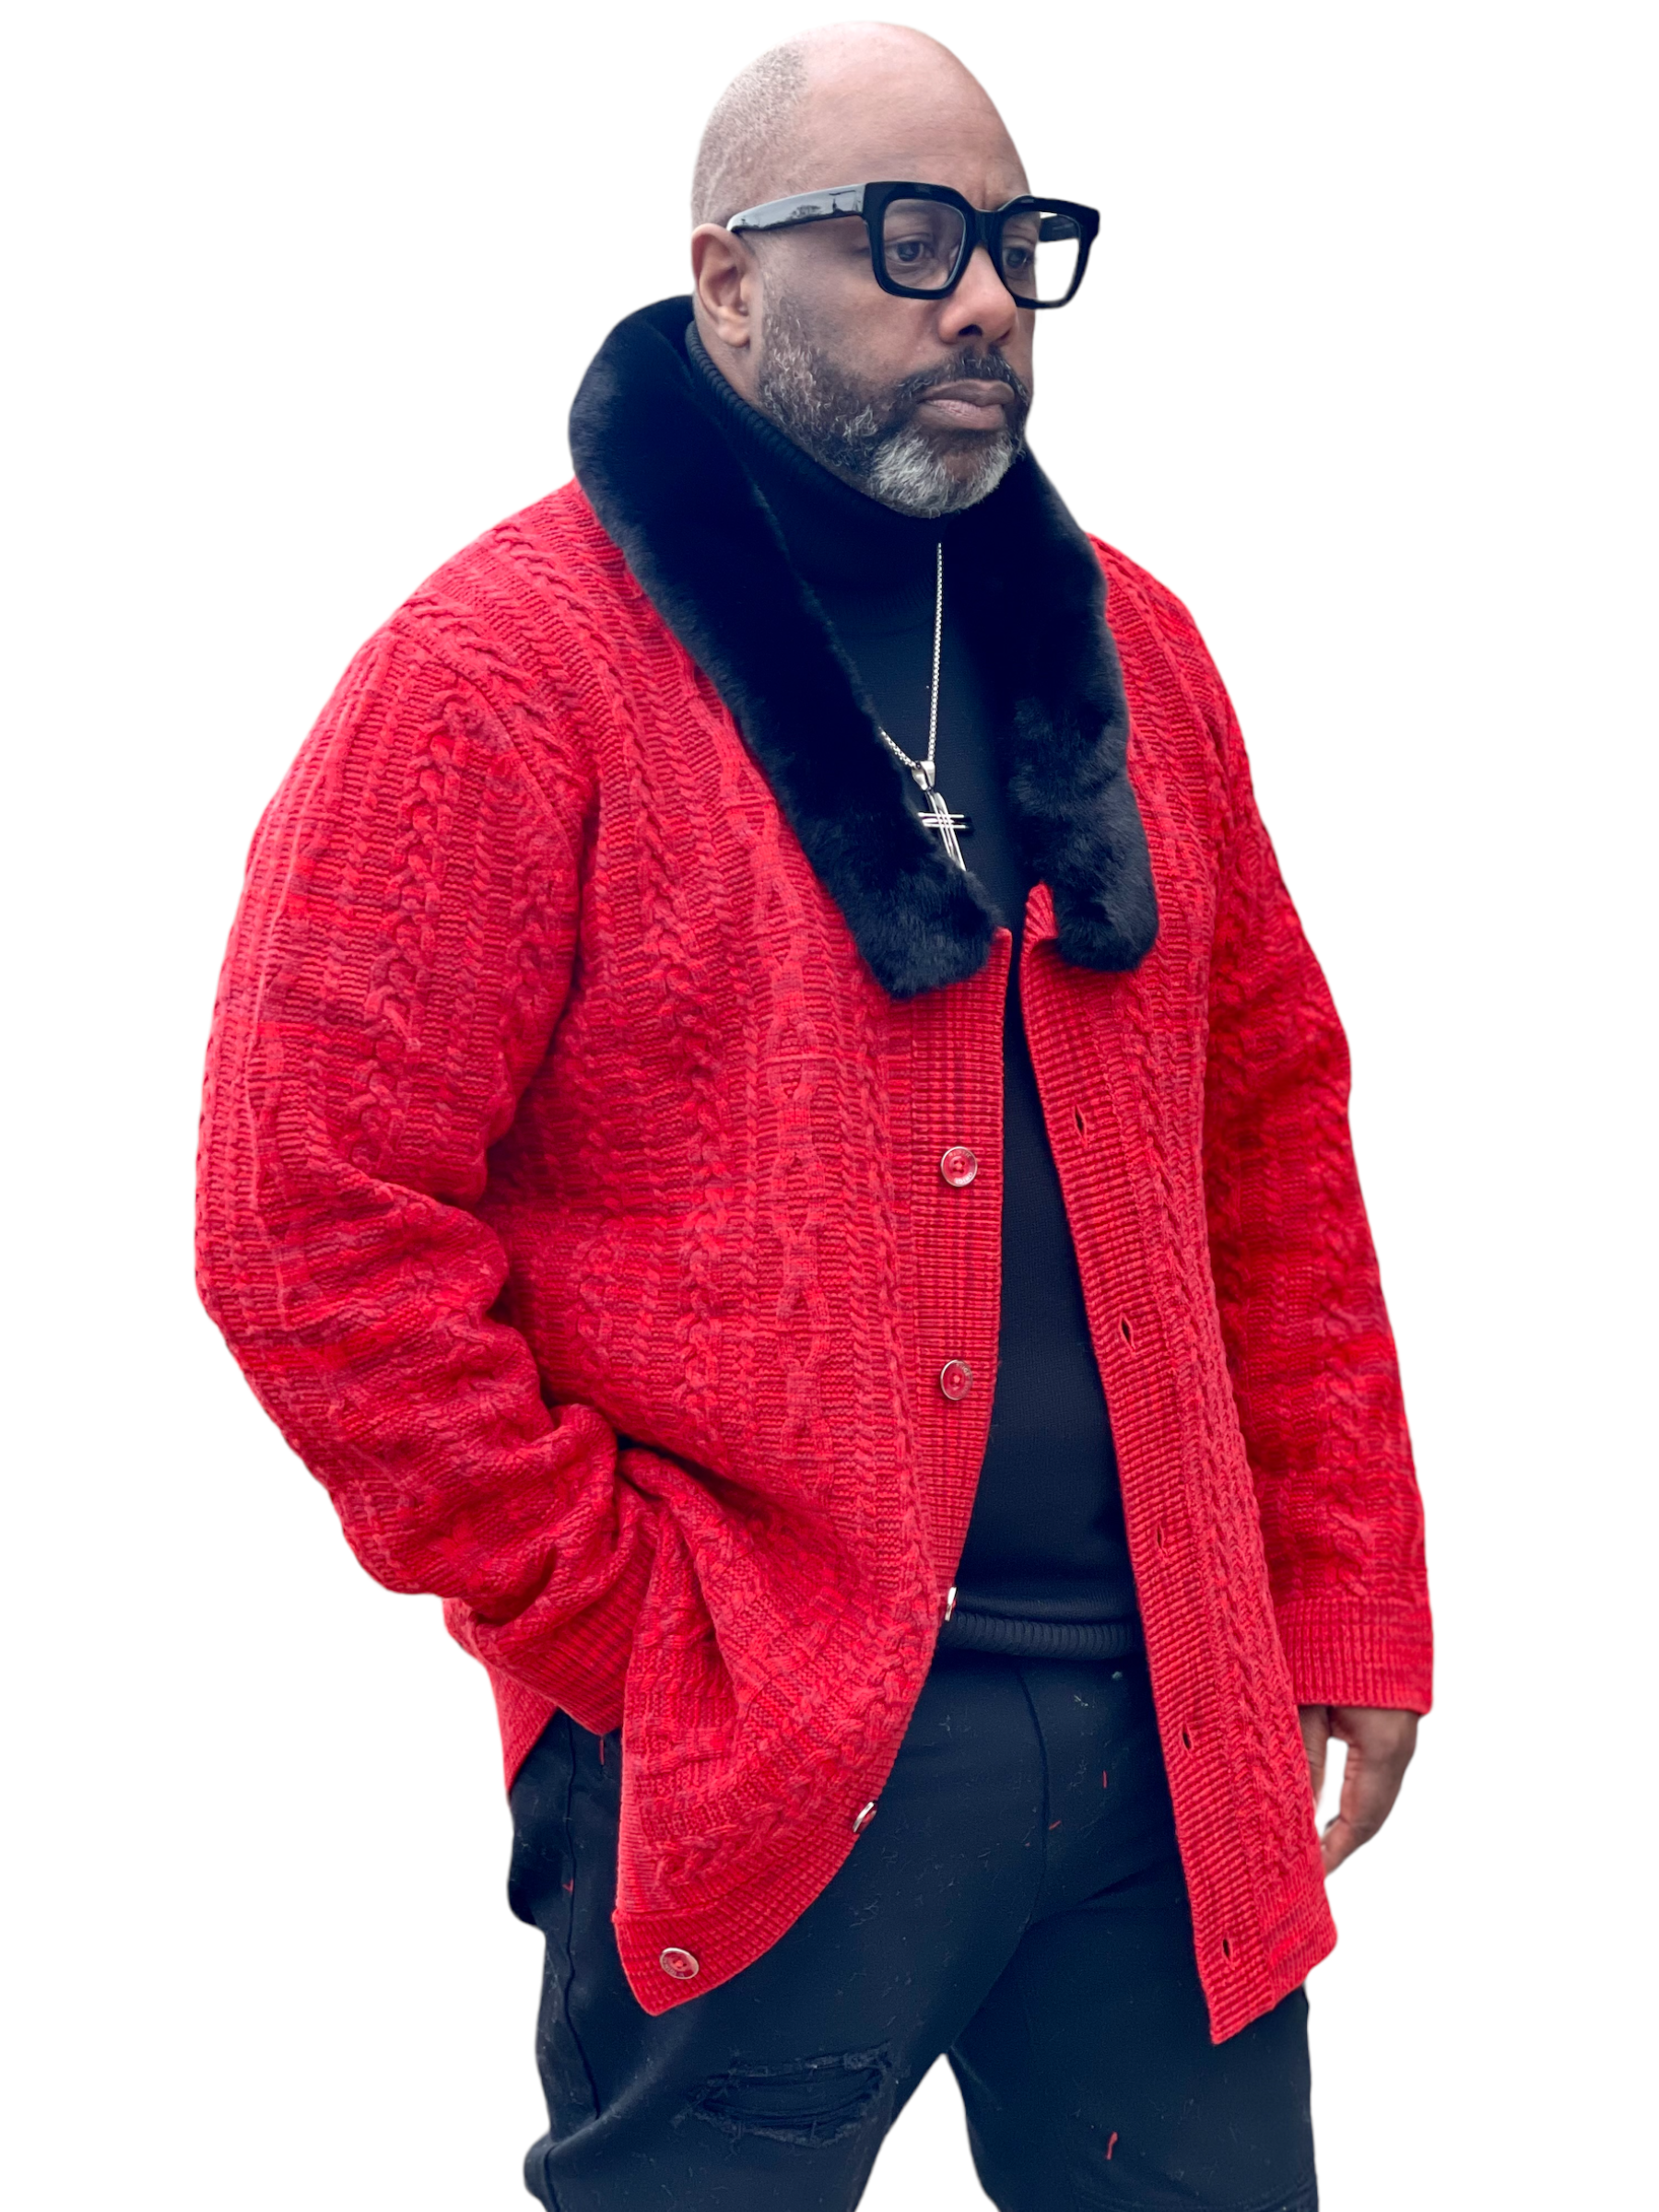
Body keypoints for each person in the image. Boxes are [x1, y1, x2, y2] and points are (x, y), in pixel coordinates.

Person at [195, 23, 1431, 2210]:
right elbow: (306, 1221)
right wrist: (626, 1627)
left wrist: (1343, 1596)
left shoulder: (1139, 660)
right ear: (726, 278)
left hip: (1173, 1737)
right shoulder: (499, 676)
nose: (982, 300)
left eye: (1018, 246)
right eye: (910, 238)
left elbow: (1275, 1152)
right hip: (765, 1749)